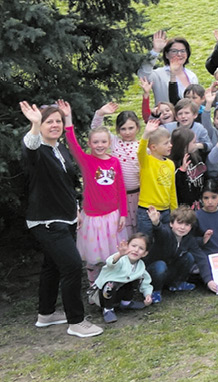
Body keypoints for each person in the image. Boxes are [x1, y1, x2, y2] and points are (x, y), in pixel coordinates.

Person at [19, 101, 103, 338]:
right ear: (40, 124)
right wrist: (35, 124)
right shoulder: (37, 150)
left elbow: (67, 183)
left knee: (52, 266)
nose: (54, 125)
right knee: (71, 266)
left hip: (65, 217)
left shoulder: (60, 148)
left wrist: (75, 209)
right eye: (49, 121)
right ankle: (76, 321)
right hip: (46, 221)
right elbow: (30, 144)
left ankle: (45, 315)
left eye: (57, 121)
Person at [57, 102, 128, 284]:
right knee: (94, 258)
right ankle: (93, 285)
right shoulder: (87, 161)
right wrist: (68, 117)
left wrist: (123, 214)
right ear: (89, 144)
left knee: (113, 255)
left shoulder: (114, 162)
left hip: (113, 217)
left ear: (109, 142)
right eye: (95, 142)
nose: (100, 145)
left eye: (103, 141)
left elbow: (121, 189)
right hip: (93, 218)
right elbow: (72, 142)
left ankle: (112, 285)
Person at [145, 206, 209, 298]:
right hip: (154, 271)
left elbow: (201, 258)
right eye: (179, 223)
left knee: (189, 257)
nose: (182, 227)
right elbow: (160, 232)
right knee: (160, 265)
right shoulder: (166, 233)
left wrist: (209, 281)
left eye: (187, 224)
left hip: (170, 271)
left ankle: (177, 284)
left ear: (191, 227)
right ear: (171, 223)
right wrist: (156, 223)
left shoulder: (189, 239)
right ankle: (155, 291)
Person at [89, 234, 154, 324]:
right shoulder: (121, 258)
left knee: (136, 278)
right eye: (133, 246)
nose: (136, 250)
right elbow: (110, 263)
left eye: (141, 248)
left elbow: (145, 282)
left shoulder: (140, 266)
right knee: (111, 284)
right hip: (103, 295)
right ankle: (108, 309)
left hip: (119, 293)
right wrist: (119, 254)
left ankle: (126, 303)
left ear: (145, 253)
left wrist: (148, 295)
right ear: (127, 246)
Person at [139, 32, 200, 108]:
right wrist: (155, 51)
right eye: (174, 51)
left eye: (183, 51)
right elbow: (143, 74)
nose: (179, 54)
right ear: (167, 55)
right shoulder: (159, 74)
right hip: (166, 118)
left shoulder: (192, 75)